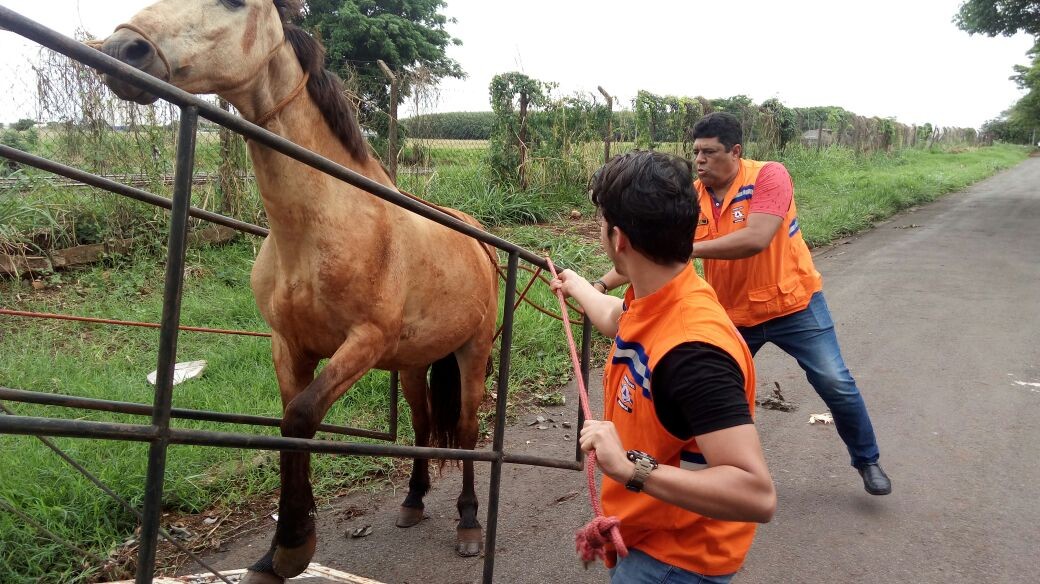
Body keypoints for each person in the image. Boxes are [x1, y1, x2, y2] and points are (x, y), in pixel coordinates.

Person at [593, 112, 891, 496]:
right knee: (700, 398)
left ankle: (866, 460)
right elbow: (646, 249)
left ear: (735, 151)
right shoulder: (694, 197)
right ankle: (700, 484)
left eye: (709, 152)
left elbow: (756, 237)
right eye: (696, 152)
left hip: (794, 305)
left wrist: (681, 248)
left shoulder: (768, 176)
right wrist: (601, 283)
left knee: (836, 382)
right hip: (732, 314)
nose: (699, 160)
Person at [552, 150, 775, 583]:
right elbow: (618, 318)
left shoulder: (693, 352)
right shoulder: (665, 295)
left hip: (675, 562)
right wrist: (576, 284)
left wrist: (630, 468)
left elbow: (756, 494)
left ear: (619, 239)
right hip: (652, 536)